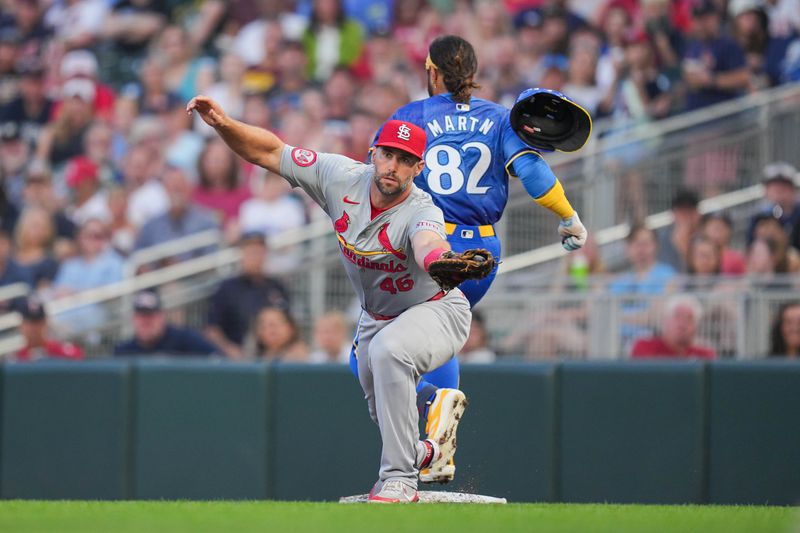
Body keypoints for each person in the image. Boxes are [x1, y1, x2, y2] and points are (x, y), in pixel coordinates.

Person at [189, 94, 480, 503]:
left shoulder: (421, 208)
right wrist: (223, 123)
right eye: (386, 154)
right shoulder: (339, 176)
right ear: (372, 153)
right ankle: (427, 453)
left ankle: (399, 480)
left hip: (435, 308)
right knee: (387, 413)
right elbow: (271, 151)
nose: (392, 166)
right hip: (376, 316)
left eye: (403, 159)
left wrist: (441, 260)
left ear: (419, 167)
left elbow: (428, 243)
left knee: (390, 351)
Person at [367, 35, 588, 482]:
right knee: (438, 334)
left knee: (368, 351)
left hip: (426, 248)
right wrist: (569, 217)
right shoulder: (500, 118)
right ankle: (439, 449)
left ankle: (430, 406)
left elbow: (377, 177)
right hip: (482, 254)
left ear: (433, 72)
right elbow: (532, 171)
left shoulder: (412, 117)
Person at [204, 230, 290, 359]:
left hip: (272, 357)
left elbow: (288, 325)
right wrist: (230, 350)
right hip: (236, 359)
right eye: (251, 252)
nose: (255, 257)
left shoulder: (276, 287)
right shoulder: (227, 288)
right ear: (242, 255)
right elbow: (212, 330)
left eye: (259, 252)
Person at [114, 290, 219, 357]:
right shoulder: (125, 351)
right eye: (141, 317)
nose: (146, 322)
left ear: (161, 317)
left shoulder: (185, 340)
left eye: (150, 316)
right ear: (134, 319)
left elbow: (216, 359)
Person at [630, 294, 716, 359]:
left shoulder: (705, 356)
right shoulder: (644, 348)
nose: (683, 324)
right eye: (677, 317)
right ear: (665, 321)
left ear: (696, 327)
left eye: (689, 319)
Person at [12, 296, 84, 362]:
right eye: (29, 322)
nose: (33, 328)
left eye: (37, 322)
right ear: (21, 325)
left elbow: (77, 358)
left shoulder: (61, 351)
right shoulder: (15, 358)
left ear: (45, 323)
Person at [244, 306, 309, 362]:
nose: (272, 329)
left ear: (291, 328)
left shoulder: (304, 358)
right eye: (265, 325)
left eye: (277, 323)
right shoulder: (252, 358)